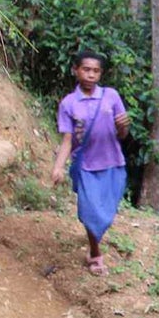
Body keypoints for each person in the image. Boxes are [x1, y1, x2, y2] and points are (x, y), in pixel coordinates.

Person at [51, 49, 130, 276]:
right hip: (85, 165)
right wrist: (58, 167)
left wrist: (123, 125)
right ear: (76, 70)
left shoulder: (111, 97)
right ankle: (95, 254)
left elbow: (121, 133)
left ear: (101, 74)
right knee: (89, 212)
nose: (91, 75)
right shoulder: (68, 103)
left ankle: (95, 243)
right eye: (86, 69)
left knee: (106, 211)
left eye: (96, 71)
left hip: (113, 162)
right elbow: (67, 140)